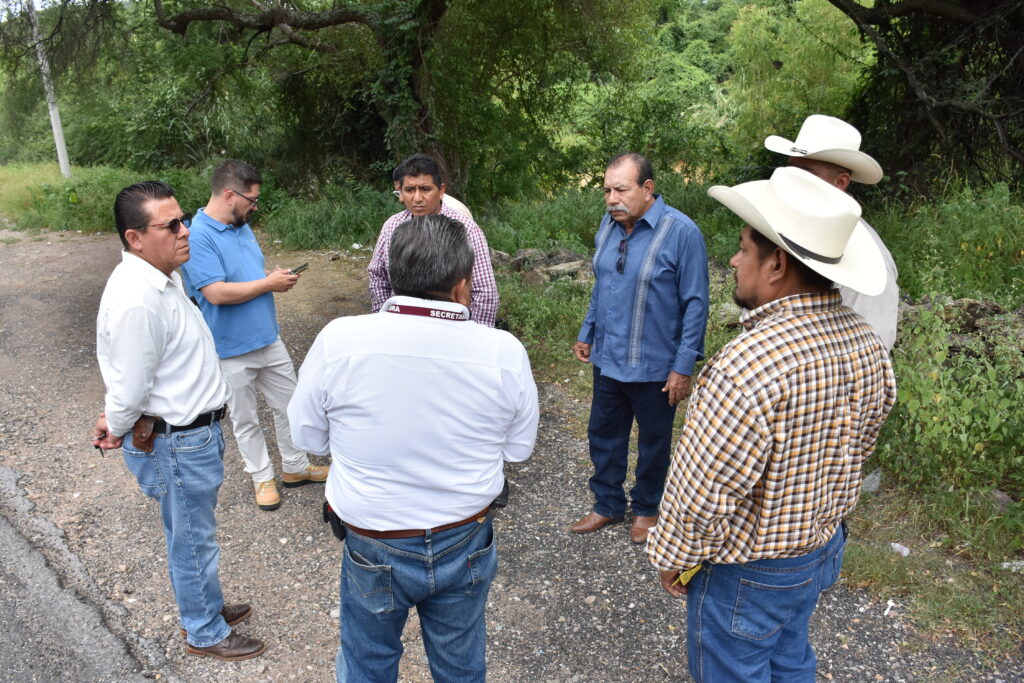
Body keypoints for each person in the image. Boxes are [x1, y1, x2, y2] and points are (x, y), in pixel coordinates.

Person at [647, 166, 897, 682]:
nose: (734, 260)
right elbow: (862, 440)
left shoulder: (747, 366)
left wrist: (673, 555)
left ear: (777, 264)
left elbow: (703, 488)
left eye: (743, 248)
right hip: (820, 550)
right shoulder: (866, 342)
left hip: (751, 572)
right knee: (789, 658)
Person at [289, 214, 539, 682]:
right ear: (463, 285)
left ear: (392, 277)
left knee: (366, 664)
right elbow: (518, 449)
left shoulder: (340, 340)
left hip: (373, 538)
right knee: (460, 667)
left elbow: (307, 438)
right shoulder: (504, 351)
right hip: (465, 535)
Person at [92, 181, 265, 660]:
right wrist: (116, 424)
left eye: (183, 219)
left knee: (194, 535)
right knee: (191, 542)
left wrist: (116, 418)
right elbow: (129, 386)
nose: (185, 231)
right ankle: (204, 631)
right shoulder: (137, 298)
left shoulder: (162, 277)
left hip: (192, 435)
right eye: (170, 226)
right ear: (135, 238)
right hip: (175, 442)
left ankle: (206, 606)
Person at [570, 152, 710, 544]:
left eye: (621, 190)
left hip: (656, 365)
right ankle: (607, 504)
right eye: (607, 191)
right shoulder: (609, 226)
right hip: (608, 356)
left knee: (653, 442)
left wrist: (683, 367)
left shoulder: (682, 233)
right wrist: (587, 331)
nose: (612, 199)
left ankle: (647, 509)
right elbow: (603, 283)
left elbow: (696, 304)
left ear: (647, 189)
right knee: (603, 434)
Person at [181, 160, 326, 511]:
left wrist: (271, 277)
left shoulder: (240, 225)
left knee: (290, 406)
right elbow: (215, 292)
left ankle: (295, 466)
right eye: (252, 199)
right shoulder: (197, 236)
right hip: (230, 348)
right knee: (245, 418)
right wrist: (268, 284)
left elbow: (247, 274)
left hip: (267, 337)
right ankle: (262, 477)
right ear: (230, 195)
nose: (255, 206)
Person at [766, 114, 900, 349]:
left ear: (841, 182)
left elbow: (871, 349)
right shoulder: (791, 231)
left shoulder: (868, 259)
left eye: (806, 173)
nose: (792, 181)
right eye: (790, 170)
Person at [369, 153, 498, 327]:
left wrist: (477, 333)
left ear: (441, 190)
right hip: (401, 324)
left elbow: (485, 291)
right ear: (400, 192)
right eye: (409, 190)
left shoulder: (465, 229)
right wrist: (383, 319)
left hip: (452, 326)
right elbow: (378, 276)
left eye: (425, 189)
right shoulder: (392, 226)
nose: (417, 198)